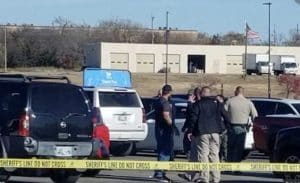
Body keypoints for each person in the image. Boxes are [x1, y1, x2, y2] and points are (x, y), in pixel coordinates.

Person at [188, 87, 229, 183]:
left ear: (201, 94)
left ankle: (204, 177)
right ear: (209, 94)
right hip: (215, 132)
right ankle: (216, 178)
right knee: (214, 155)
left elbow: (193, 118)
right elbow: (225, 115)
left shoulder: (198, 104)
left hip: (202, 132)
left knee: (203, 155)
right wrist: (225, 128)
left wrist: (191, 131)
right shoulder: (217, 103)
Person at [225, 86, 258, 167]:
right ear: (243, 92)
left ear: (236, 91)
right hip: (242, 128)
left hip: (231, 127)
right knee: (239, 148)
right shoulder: (248, 102)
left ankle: (229, 165)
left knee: (230, 147)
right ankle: (236, 166)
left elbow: (223, 113)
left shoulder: (229, 101)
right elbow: (255, 116)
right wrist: (253, 124)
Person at [153, 84, 174, 183]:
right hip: (165, 129)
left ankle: (158, 172)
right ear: (170, 92)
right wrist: (171, 124)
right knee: (165, 152)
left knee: (161, 150)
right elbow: (166, 115)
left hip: (158, 128)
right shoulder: (165, 103)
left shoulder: (158, 101)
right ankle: (160, 174)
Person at [216, 95, 228, 162]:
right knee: (218, 148)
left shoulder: (223, 107)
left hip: (223, 130)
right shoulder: (216, 107)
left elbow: (227, 118)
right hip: (218, 130)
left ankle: (224, 161)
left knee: (224, 147)